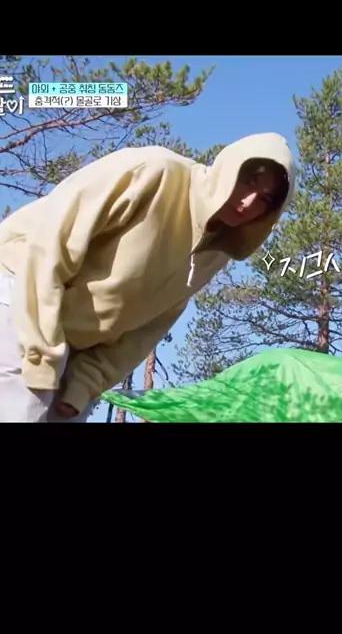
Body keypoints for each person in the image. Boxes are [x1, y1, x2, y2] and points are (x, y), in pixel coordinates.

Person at [0, 132, 295, 422]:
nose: (247, 202)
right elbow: (50, 245)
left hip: (73, 342)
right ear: (229, 168)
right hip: (21, 291)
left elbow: (150, 326)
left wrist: (85, 383)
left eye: (264, 199)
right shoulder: (153, 172)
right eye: (248, 181)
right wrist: (42, 354)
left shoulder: (218, 251)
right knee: (25, 409)